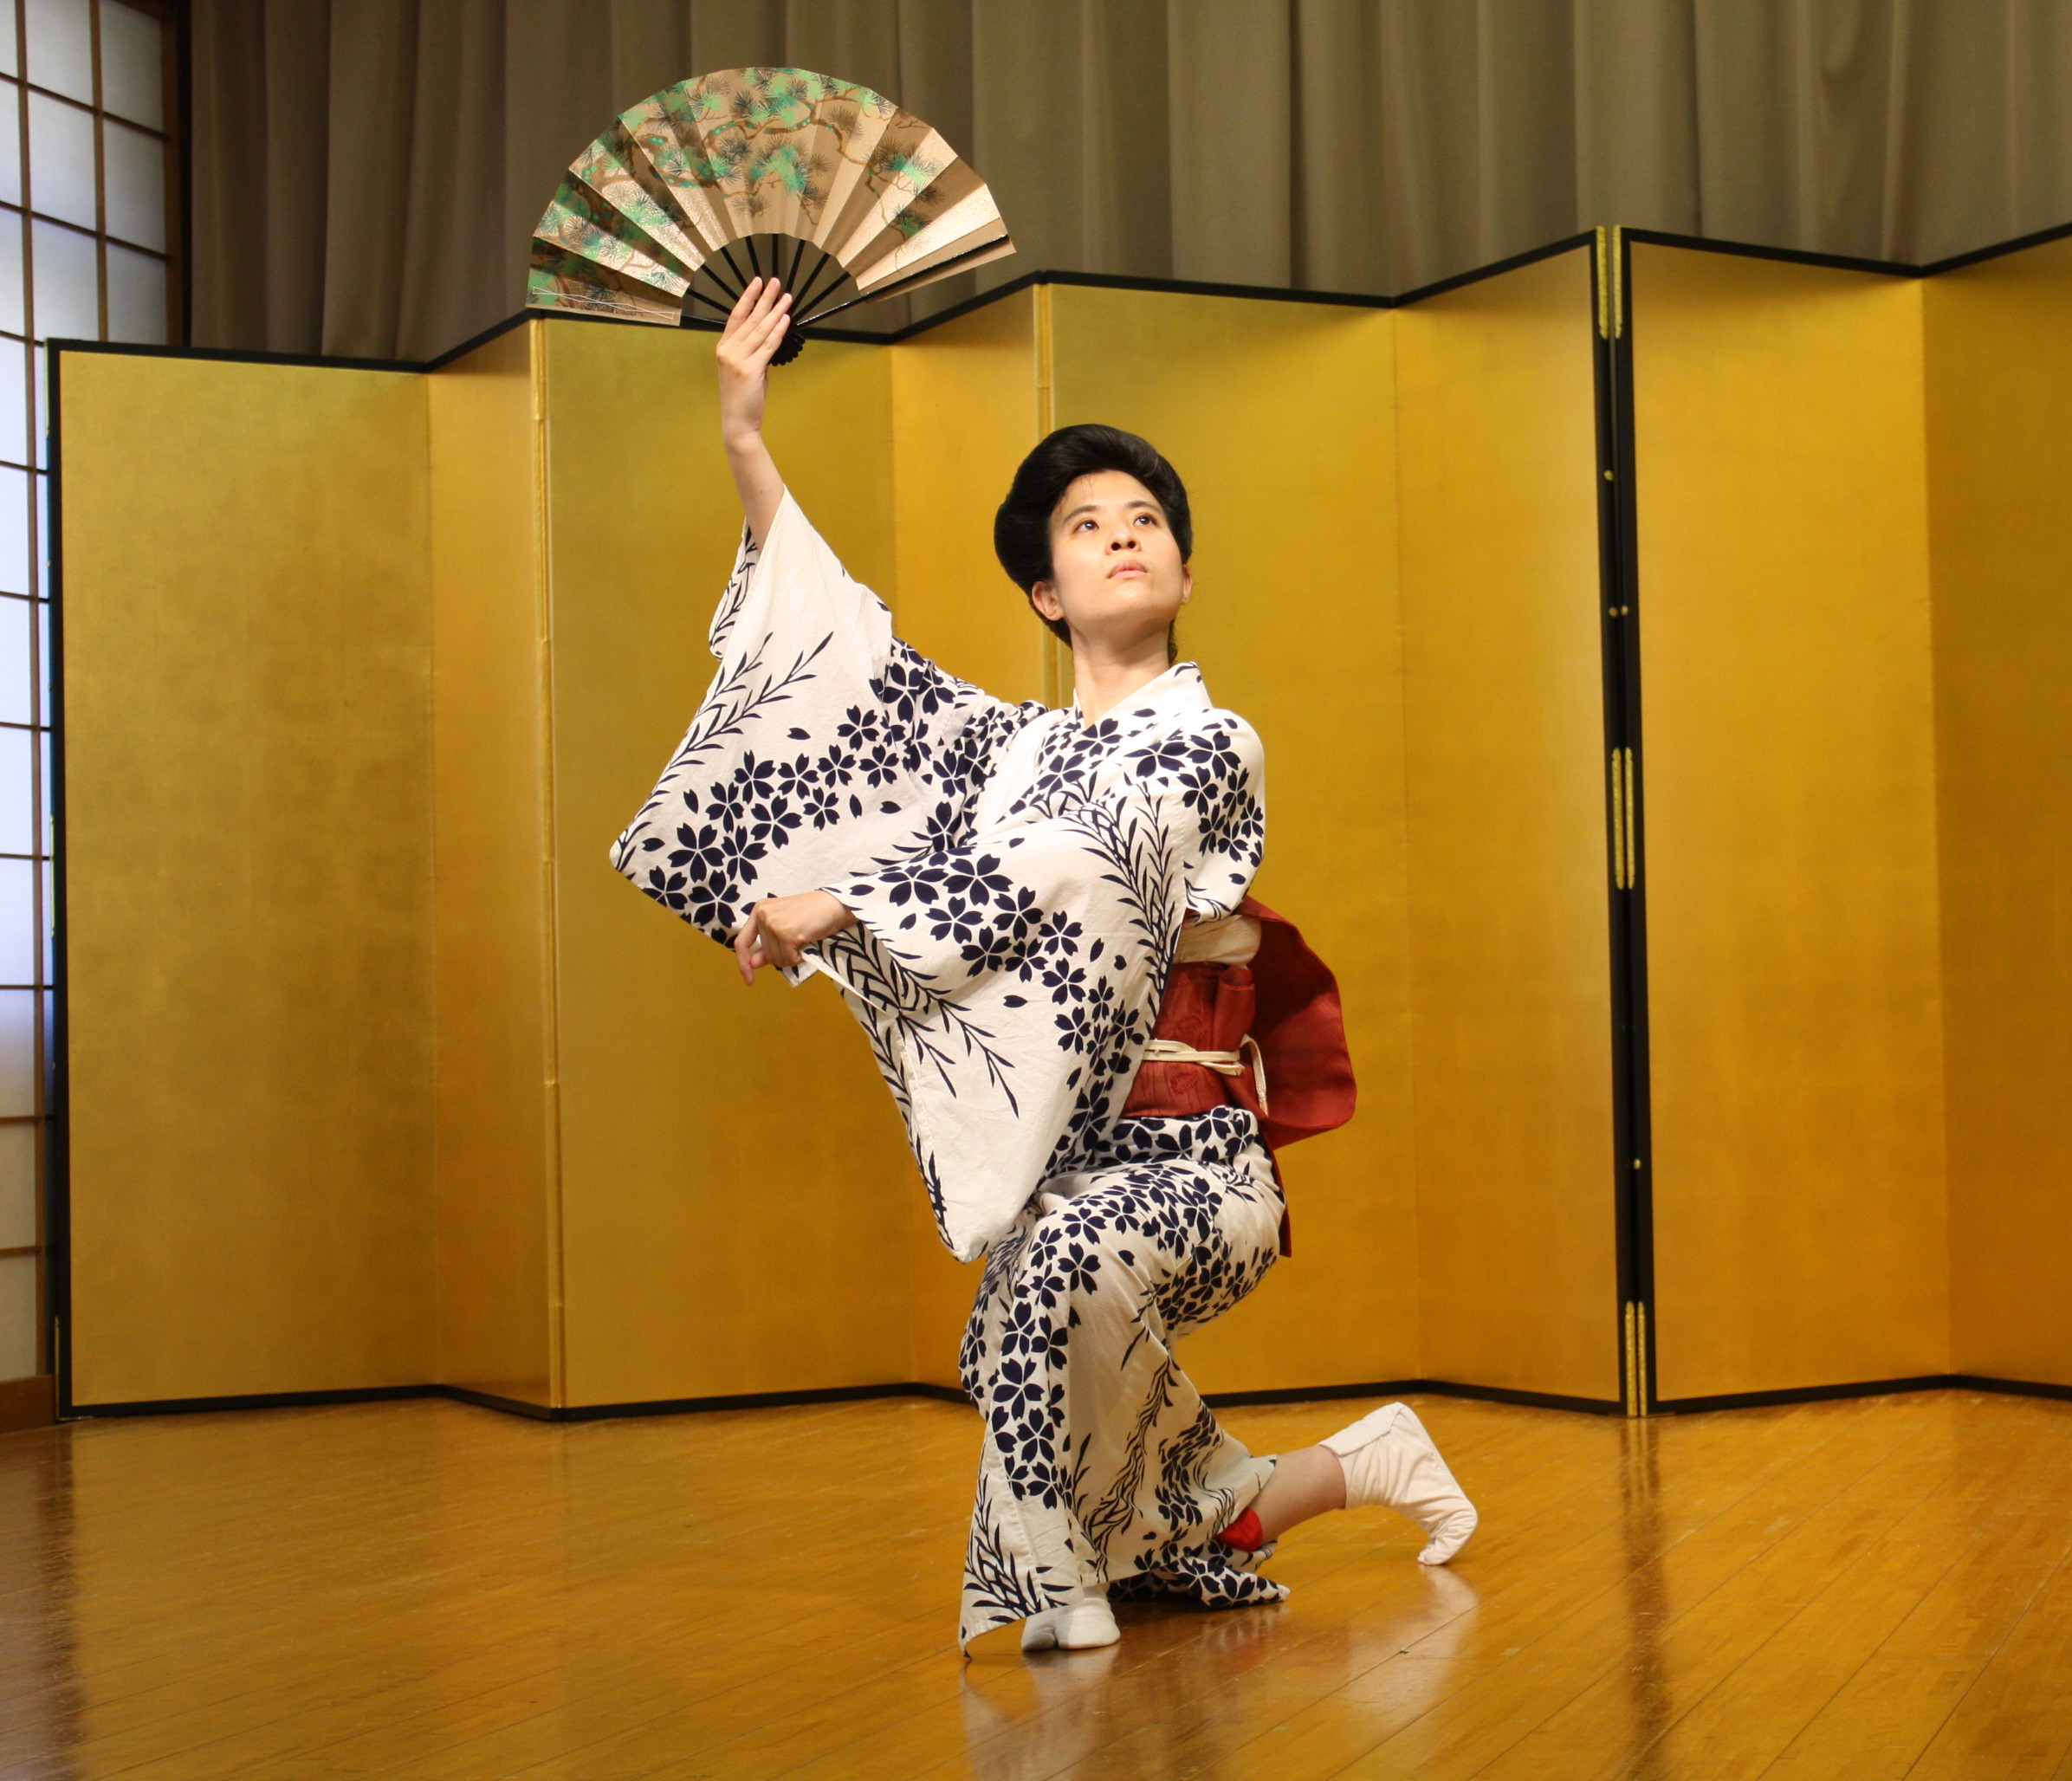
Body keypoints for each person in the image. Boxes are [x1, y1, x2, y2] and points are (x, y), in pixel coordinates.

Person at [612, 277, 1477, 1652]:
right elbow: (843, 659)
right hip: (1071, 1164)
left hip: (1199, 1170)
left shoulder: (1211, 744)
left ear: (1183, 572)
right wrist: (744, 432)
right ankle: (1336, 1472)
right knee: (1021, 1342)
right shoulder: (1006, 752)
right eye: (1088, 526)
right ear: (1045, 591)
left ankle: (1057, 1593)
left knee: (1053, 1276)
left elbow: (1081, 863)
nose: (1123, 535)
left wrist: (845, 905)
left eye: (1146, 521)